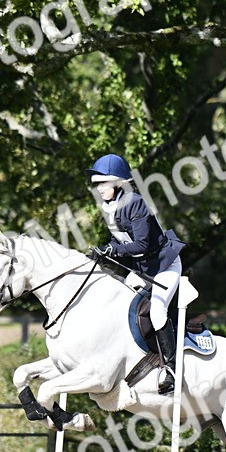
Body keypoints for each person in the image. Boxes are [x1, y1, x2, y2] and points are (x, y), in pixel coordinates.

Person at [85, 154, 185, 394]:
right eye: (97, 184)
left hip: (165, 266)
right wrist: (105, 250)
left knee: (158, 311)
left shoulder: (135, 202)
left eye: (104, 183)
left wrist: (114, 250)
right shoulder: (109, 206)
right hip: (142, 268)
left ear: (118, 183)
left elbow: (141, 244)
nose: (99, 189)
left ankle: (171, 370)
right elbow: (118, 237)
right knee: (119, 302)